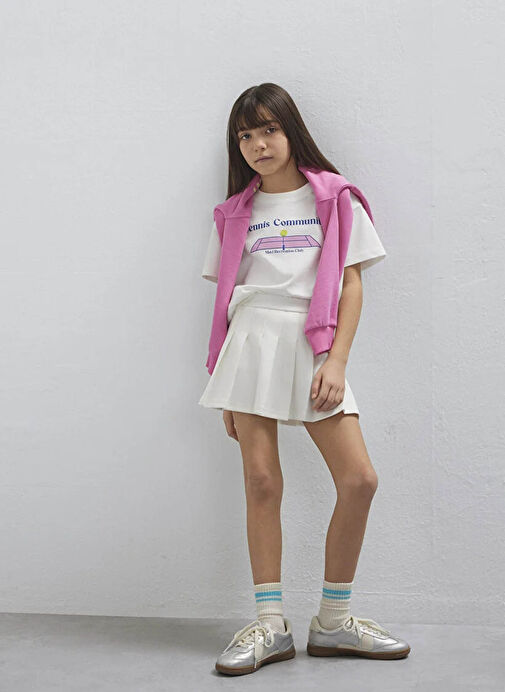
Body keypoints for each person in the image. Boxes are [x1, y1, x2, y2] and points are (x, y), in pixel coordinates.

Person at [198, 83, 411, 676]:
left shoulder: (336, 198)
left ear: (291, 130)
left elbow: (351, 284)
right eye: (245, 135)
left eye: (269, 129)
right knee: (262, 481)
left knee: (359, 480)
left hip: (313, 342)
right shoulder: (234, 213)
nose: (258, 144)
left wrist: (336, 361)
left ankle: (334, 621)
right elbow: (227, 298)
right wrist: (228, 385)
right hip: (250, 342)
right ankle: (270, 625)